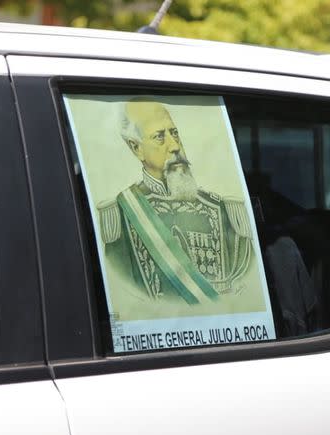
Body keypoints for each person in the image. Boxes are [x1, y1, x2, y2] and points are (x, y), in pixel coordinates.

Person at [98, 99, 254, 305]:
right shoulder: (120, 214)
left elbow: (244, 289)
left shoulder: (221, 208)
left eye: (175, 133)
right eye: (159, 137)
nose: (175, 146)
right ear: (137, 148)